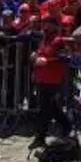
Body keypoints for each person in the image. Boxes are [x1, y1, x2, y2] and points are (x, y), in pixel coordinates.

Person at [30, 18, 73, 148]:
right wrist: (35, 59)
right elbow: (40, 55)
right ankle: (66, 125)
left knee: (45, 110)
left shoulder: (58, 41)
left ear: (54, 26)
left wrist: (47, 61)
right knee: (51, 108)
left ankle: (40, 137)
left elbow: (64, 58)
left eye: (48, 24)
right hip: (42, 78)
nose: (45, 27)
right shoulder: (44, 40)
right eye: (44, 24)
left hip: (53, 79)